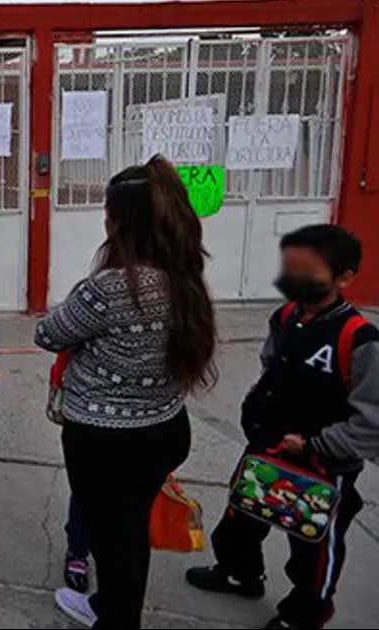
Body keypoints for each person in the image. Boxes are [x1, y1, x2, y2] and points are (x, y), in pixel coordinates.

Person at [35, 156, 217, 629]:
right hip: (164, 428)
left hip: (107, 438)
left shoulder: (112, 288)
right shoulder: (183, 276)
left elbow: (49, 333)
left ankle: (116, 618)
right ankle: (109, 607)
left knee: (113, 538)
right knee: (130, 530)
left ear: (121, 220)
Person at [186, 225, 378, 630]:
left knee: (312, 545)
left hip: (322, 465)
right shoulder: (288, 316)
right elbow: (272, 365)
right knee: (241, 517)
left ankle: (305, 614)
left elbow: (371, 423)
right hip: (268, 445)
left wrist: (316, 444)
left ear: (344, 277)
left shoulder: (358, 340)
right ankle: (240, 573)